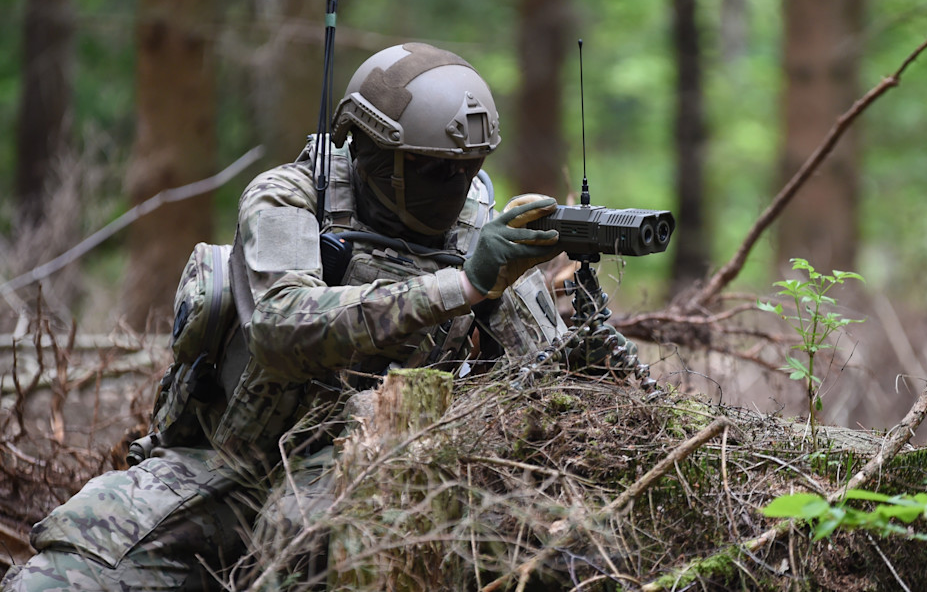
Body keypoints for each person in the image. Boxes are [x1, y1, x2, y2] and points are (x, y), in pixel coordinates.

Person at [2, 42, 631, 591]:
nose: (456, 185)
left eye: (468, 168)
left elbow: (539, 391)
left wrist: (588, 366)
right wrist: (463, 284)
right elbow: (282, 327)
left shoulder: (480, 229)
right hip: (230, 469)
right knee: (71, 566)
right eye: (435, 169)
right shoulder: (289, 196)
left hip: (379, 481)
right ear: (372, 152)